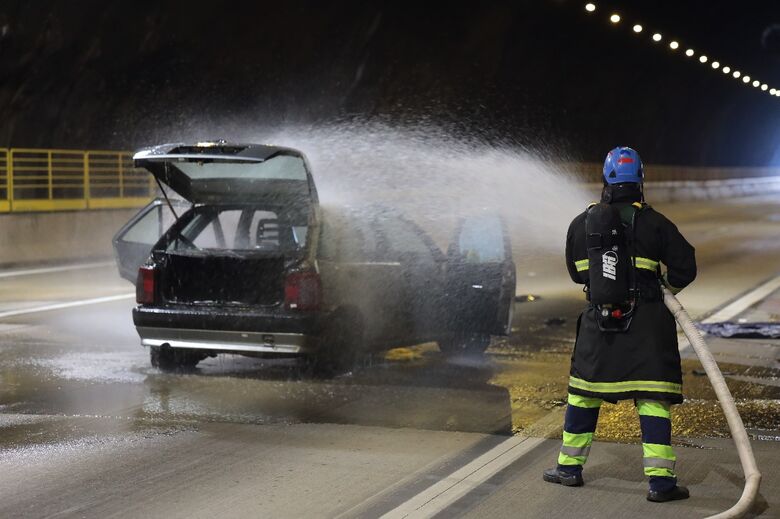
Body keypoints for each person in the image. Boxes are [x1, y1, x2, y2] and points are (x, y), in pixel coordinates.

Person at [543, 146, 697, 503]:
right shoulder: (656, 223)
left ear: (606, 179)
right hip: (647, 327)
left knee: (583, 394)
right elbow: (685, 267)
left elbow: (576, 273)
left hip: (600, 326)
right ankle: (660, 483)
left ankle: (569, 469)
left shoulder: (582, 224)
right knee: (652, 398)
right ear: (641, 179)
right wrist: (662, 290)